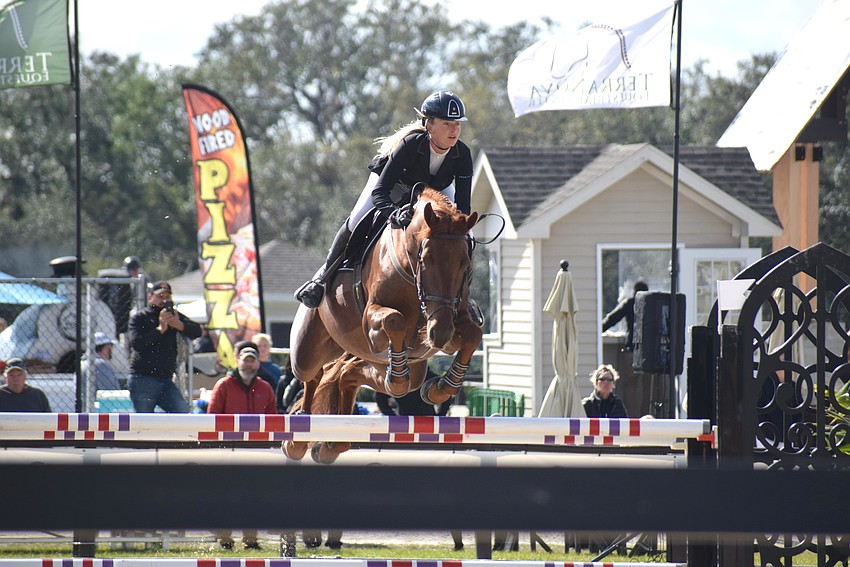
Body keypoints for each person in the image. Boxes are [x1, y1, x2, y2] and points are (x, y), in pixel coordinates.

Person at [295, 90, 473, 308]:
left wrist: (457, 224)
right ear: (429, 125)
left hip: (436, 189)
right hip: (393, 185)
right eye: (447, 123)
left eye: (457, 124)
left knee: (467, 233)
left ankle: (465, 298)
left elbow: (463, 206)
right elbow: (380, 192)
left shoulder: (462, 154)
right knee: (356, 219)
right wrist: (393, 213)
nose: (454, 130)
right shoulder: (411, 145)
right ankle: (321, 279)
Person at [207, 346, 276, 550]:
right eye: (245, 359)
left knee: (253, 497)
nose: (248, 363)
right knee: (225, 496)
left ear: (257, 363)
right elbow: (212, 417)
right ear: (238, 361)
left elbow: (273, 419)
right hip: (227, 450)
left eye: (252, 360)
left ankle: (251, 541)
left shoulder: (265, 387)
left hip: (256, 451)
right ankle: (224, 540)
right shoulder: (223, 385)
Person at [127, 281, 202, 413]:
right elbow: (136, 344)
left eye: (167, 297)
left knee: (183, 414)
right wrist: (160, 329)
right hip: (143, 378)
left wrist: (179, 324)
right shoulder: (140, 317)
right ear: (150, 298)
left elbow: (198, 331)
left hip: (166, 379)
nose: (164, 300)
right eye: (160, 296)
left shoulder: (174, 316)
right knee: (144, 421)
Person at [601, 280, 648, 351]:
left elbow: (612, 319)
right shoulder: (651, 305)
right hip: (648, 346)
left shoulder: (629, 304)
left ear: (634, 291)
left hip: (632, 345)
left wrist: (599, 329)